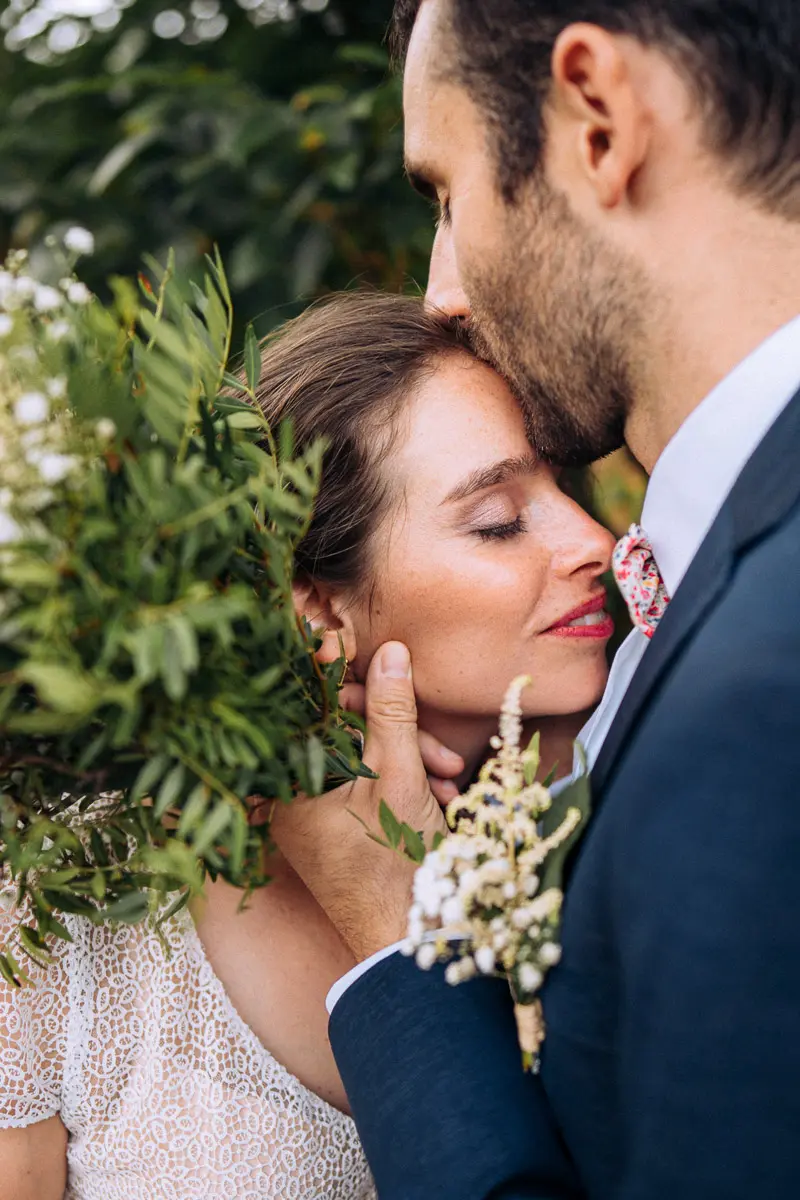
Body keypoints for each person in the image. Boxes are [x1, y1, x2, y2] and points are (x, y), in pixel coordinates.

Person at [271, 2, 800, 1198]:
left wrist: (394, 928)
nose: (439, 292)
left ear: (595, 120)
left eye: (445, 194)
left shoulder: (759, 689)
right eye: (497, 517)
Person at [0, 291, 616, 1199]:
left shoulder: (623, 844)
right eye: (497, 520)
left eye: (566, 489)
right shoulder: (72, 899)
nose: (596, 541)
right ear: (318, 608)